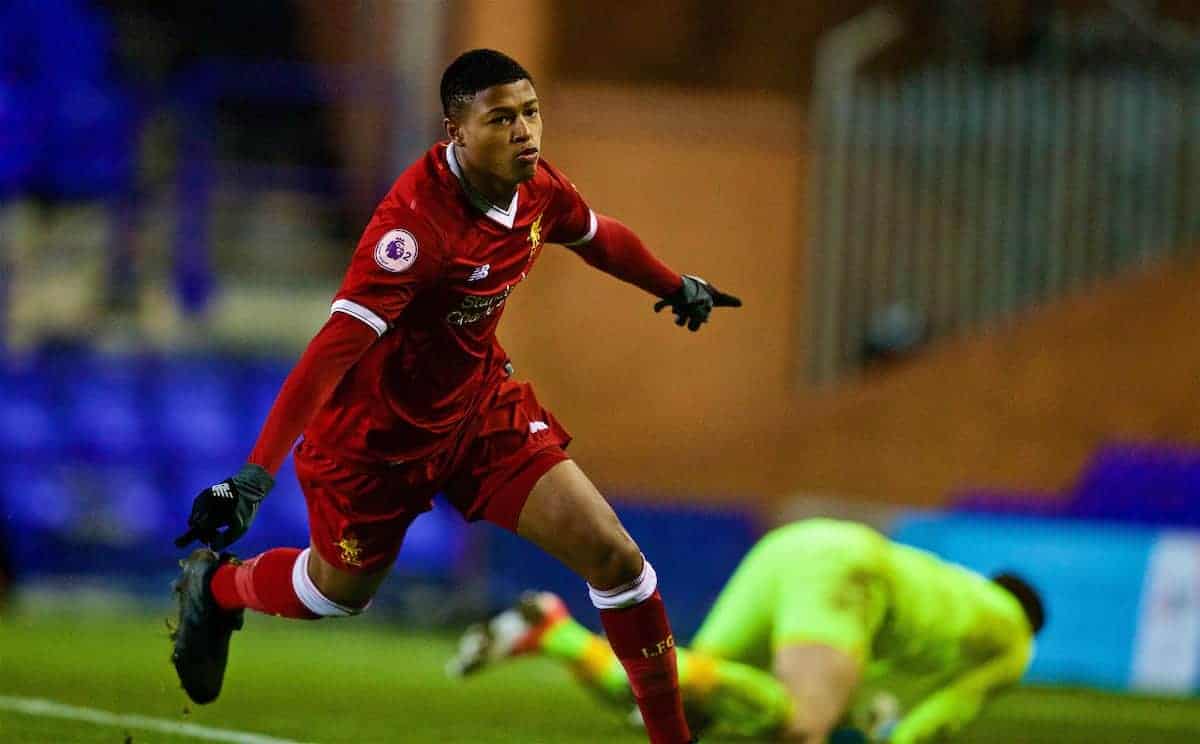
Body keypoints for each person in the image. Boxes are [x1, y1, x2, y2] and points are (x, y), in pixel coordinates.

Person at [170, 48, 740, 744]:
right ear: (456, 132)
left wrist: (672, 284)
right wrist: (253, 479)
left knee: (617, 559)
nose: (525, 131)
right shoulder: (413, 232)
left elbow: (599, 237)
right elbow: (329, 352)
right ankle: (218, 586)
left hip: (478, 415)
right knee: (332, 594)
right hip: (375, 447)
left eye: (531, 112)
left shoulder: (536, 190)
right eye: (502, 119)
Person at [450, 518, 1045, 743]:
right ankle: (563, 634)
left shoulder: (966, 591)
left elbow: (861, 663)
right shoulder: (1015, 642)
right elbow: (941, 718)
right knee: (801, 725)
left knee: (685, 704)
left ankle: (552, 633)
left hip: (791, 545)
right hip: (847, 571)